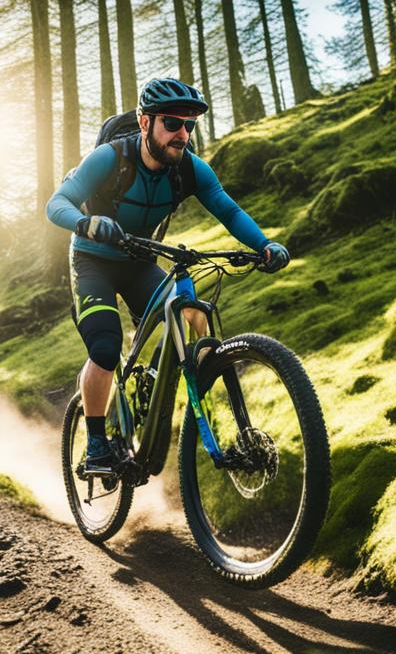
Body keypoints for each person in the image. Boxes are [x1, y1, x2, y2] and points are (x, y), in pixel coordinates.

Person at [45, 77, 290, 474]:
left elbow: (228, 211)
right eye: (172, 123)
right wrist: (87, 224)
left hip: (140, 261)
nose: (182, 134)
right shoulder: (110, 158)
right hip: (93, 261)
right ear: (145, 123)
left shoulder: (190, 170)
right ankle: (95, 446)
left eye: (189, 125)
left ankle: (196, 402)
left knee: (194, 313)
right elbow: (57, 203)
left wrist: (264, 245)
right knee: (105, 348)